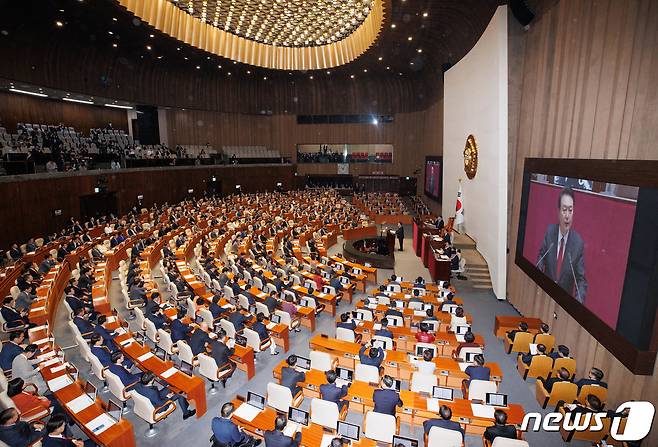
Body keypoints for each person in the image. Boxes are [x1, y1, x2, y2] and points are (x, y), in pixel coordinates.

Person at [536, 187, 587, 303]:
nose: (567, 216)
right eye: (564, 210)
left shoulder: (578, 243)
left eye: (570, 210)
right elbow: (540, 260)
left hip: (564, 304)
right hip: (544, 298)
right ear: (558, 211)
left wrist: (577, 304)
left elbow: (581, 281)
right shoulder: (549, 232)